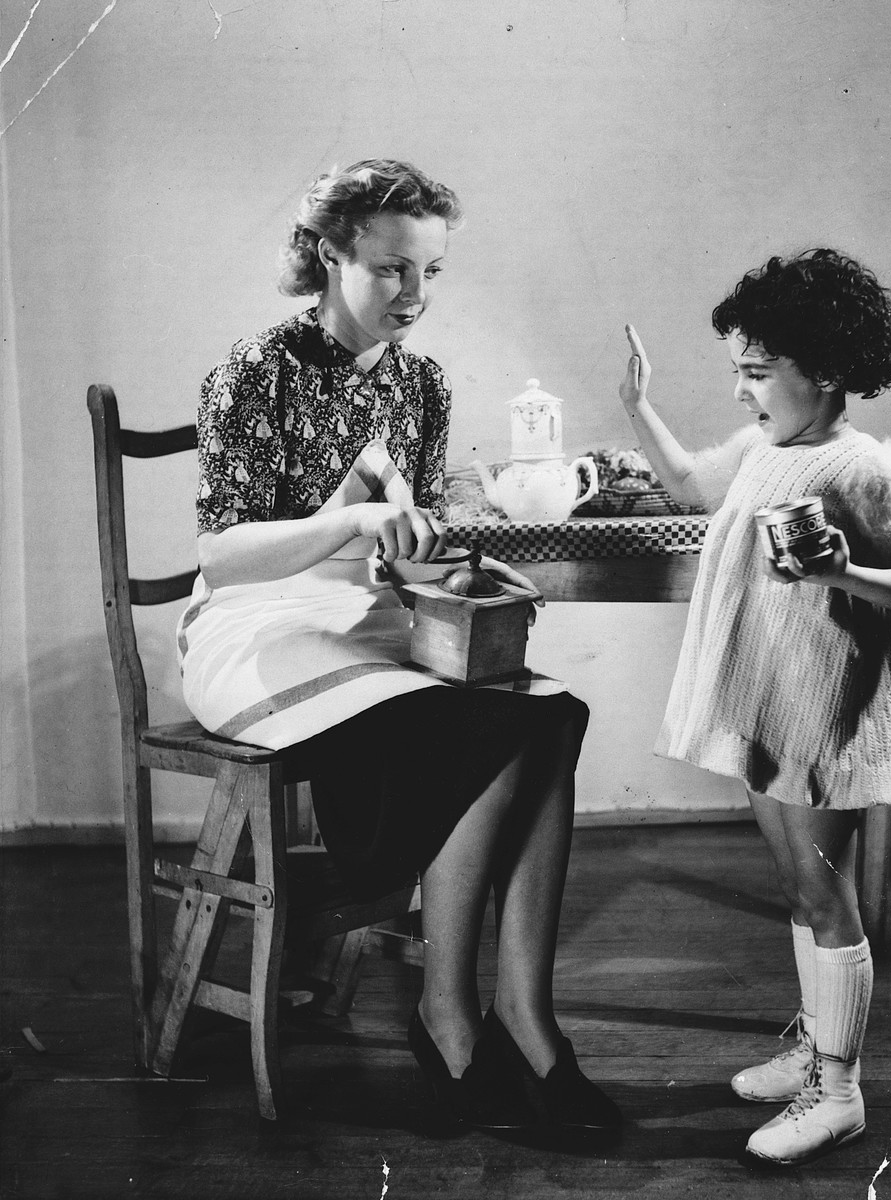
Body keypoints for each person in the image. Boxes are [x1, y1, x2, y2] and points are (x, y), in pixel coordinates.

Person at [178, 158, 620, 1134]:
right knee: (485, 725)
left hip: (359, 621)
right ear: (329, 254)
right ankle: (449, 1016)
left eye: (429, 273)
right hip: (254, 628)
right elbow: (223, 550)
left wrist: (455, 570)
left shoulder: (420, 382)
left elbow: (405, 549)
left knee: (549, 715)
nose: (413, 296)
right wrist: (353, 520)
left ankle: (526, 1023)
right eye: (390, 270)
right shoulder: (257, 370)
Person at [618, 249, 891, 1165]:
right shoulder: (768, 449)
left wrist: (843, 566)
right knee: (801, 892)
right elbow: (690, 484)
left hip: (825, 710)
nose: (740, 392)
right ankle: (815, 1045)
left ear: (830, 371)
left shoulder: (864, 467)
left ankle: (837, 1090)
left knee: (820, 893)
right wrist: (637, 405)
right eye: (738, 369)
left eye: (757, 372)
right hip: (770, 701)